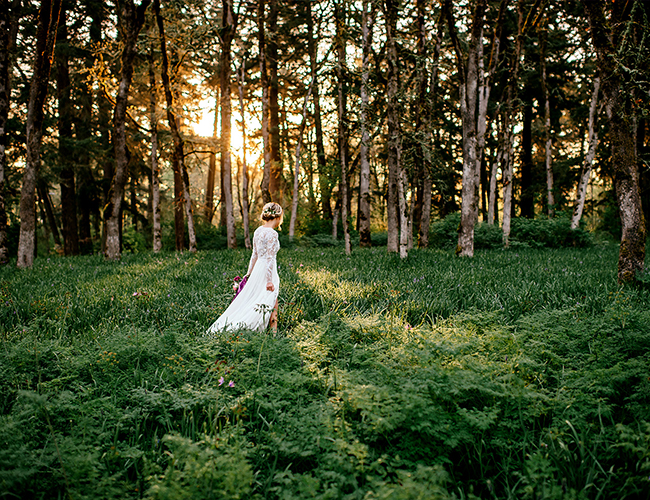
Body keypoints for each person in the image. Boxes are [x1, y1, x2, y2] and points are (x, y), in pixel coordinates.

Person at [207, 202, 282, 334]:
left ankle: (273, 331)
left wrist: (249, 274)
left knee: (256, 299)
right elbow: (269, 258)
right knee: (271, 299)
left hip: (258, 269)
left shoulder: (258, 231)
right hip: (267, 271)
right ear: (278, 216)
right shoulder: (272, 234)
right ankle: (273, 333)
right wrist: (269, 280)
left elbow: (254, 255)